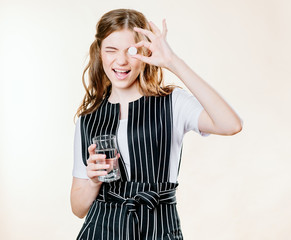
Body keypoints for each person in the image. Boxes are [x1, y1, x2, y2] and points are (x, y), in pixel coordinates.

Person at [70, 8, 242, 240]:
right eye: (111, 50)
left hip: (159, 229)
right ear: (100, 53)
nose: (121, 61)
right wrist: (92, 181)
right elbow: (78, 208)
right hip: (101, 230)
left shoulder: (173, 103)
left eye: (132, 51)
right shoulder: (88, 118)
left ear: (145, 52)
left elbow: (231, 124)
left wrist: (173, 62)